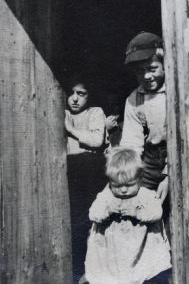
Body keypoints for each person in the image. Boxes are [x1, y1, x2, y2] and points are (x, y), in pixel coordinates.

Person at [83, 148, 171, 284]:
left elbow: (156, 212)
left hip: (142, 249)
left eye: (129, 185)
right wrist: (107, 211)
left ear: (140, 178)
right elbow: (93, 214)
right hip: (112, 253)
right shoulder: (106, 196)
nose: (123, 190)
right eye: (117, 185)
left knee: (146, 273)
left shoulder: (146, 195)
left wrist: (138, 213)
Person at [64, 77, 118, 283]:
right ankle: (79, 270)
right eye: (72, 93)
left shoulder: (95, 112)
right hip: (71, 170)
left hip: (90, 169)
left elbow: (96, 140)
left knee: (94, 218)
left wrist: (70, 129)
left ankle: (98, 269)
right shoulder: (64, 113)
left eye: (81, 93)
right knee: (76, 220)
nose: (75, 99)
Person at [119, 32, 168, 201]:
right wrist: (123, 176)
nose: (147, 76)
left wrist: (170, 174)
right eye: (140, 71)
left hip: (176, 157)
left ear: (164, 65)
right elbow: (131, 144)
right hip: (150, 161)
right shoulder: (134, 99)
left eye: (152, 69)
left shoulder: (174, 92)